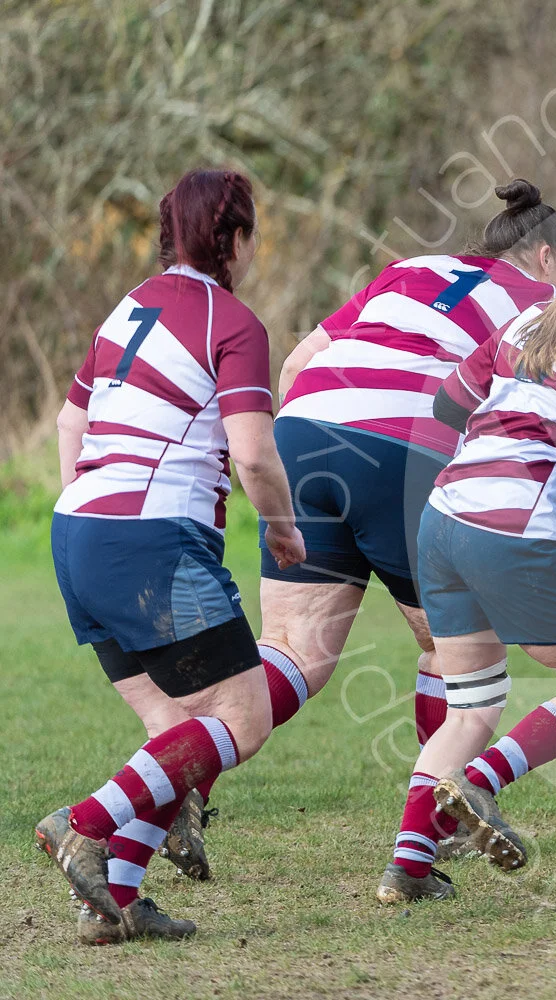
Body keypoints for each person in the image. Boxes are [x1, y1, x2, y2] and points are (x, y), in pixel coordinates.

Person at [173, 183, 556, 880]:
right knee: (464, 660)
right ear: (549, 257)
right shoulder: (546, 309)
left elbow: (296, 365)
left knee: (296, 649)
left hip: (305, 434)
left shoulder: (409, 269)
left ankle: (178, 781)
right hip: (411, 458)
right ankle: (447, 817)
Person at [37, 168, 306, 944]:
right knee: (243, 720)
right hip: (152, 543)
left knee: (176, 733)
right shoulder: (233, 321)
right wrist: (282, 527)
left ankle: (116, 902)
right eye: (251, 235)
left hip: (75, 533)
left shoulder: (125, 310)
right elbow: (253, 454)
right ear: (235, 239)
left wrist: (94, 514)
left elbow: (68, 424)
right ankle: (83, 823)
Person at [375, 213, 556, 903]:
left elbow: (448, 405)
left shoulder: (525, 324)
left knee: (470, 706)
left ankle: (409, 867)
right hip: (514, 529)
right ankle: (479, 782)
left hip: (443, 520)